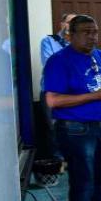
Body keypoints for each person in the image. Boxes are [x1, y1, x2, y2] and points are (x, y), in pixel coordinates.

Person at [43, 14, 101, 201]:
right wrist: (96, 96)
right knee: (83, 183)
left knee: (99, 181)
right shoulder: (59, 61)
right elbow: (52, 101)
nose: (92, 37)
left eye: (95, 32)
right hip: (75, 130)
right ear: (71, 35)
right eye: (86, 32)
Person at [39, 11, 75, 159]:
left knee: (73, 126)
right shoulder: (48, 41)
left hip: (73, 93)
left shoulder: (80, 43)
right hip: (52, 92)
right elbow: (50, 65)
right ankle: (58, 160)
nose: (71, 25)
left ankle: (72, 158)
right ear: (62, 24)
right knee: (53, 126)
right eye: (69, 22)